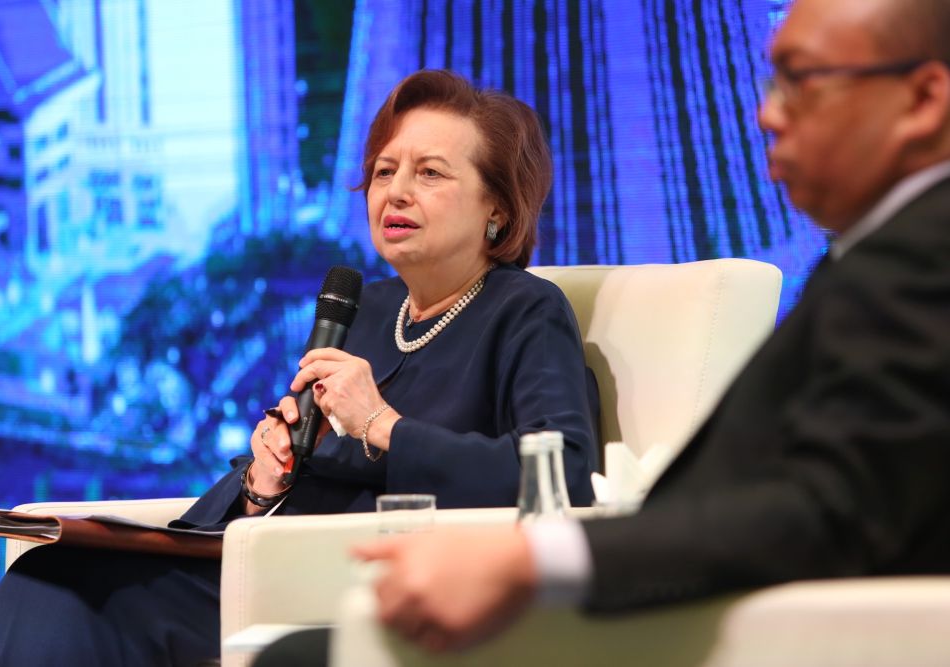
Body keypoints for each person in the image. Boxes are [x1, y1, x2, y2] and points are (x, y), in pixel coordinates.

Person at [348, 0, 950, 655]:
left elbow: (825, 506)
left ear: (923, 99)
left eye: (801, 79)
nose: (767, 114)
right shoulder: (874, 257)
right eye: (384, 169)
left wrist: (528, 559)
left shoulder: (924, 259)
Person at [0, 70, 599, 666]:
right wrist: (260, 485)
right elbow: (294, 466)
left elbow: (562, 474)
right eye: (383, 171)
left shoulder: (526, 310)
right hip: (276, 565)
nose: (395, 192)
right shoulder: (368, 307)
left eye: (430, 173)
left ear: (499, 211)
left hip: (380, 582)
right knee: (48, 576)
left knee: (77, 597)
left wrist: (381, 424)